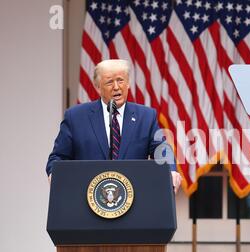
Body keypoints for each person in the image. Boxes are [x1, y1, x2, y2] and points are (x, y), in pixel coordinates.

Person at [46, 59, 182, 192]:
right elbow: (58, 157)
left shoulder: (146, 116)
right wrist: (55, 173)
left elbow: (162, 150)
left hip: (133, 197)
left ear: (128, 83)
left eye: (120, 80)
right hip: (88, 196)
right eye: (110, 82)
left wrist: (170, 170)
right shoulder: (76, 117)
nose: (116, 87)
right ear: (98, 87)